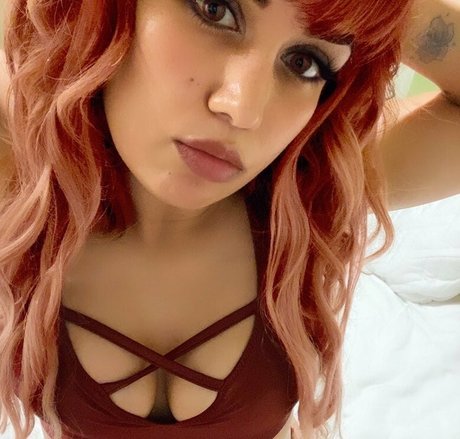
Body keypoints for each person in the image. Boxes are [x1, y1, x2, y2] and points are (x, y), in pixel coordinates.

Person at [0, 0, 458, 438]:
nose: (243, 109)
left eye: (304, 62)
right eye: (215, 9)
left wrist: (370, 11)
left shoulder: (308, 198)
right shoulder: (22, 188)